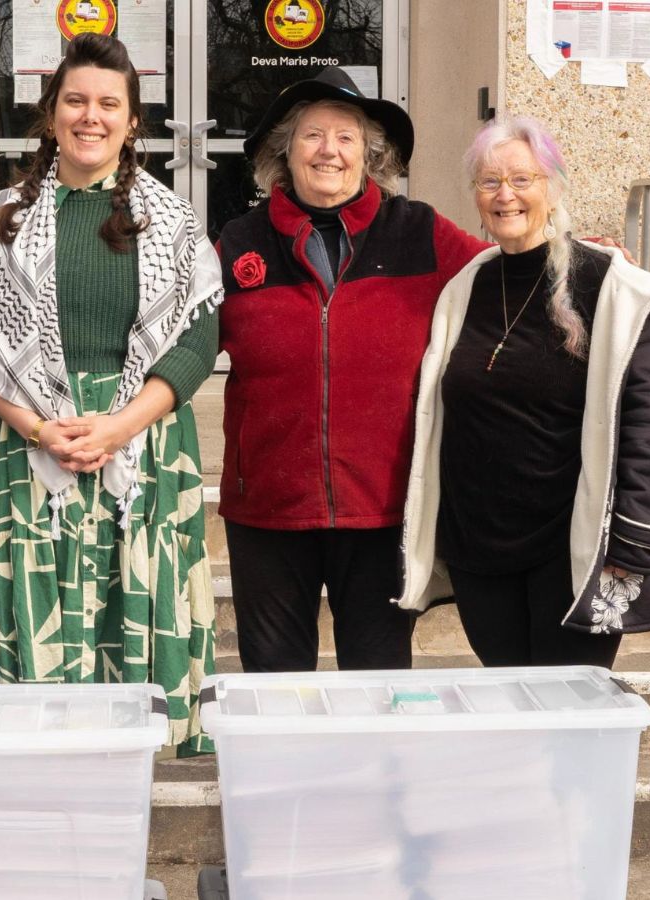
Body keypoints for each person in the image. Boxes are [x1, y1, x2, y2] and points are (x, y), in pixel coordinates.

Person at [0, 33, 222, 754]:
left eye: (108, 103)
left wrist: (120, 426)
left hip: (144, 444)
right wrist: (39, 430)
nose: (90, 116)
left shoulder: (174, 221)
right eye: (75, 100)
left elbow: (198, 340)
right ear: (51, 113)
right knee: (37, 599)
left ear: (133, 122)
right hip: (36, 441)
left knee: (135, 594)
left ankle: (135, 776)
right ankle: (39, 768)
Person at [395, 115, 650, 665]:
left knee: (570, 711)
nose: (504, 195)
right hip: (478, 548)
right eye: (489, 182)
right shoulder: (464, 287)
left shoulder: (607, 284)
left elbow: (645, 424)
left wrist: (637, 533)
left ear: (553, 187)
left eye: (522, 179)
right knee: (510, 700)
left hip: (571, 547)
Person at [215, 67, 490, 673]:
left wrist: (579, 255)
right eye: (313, 135)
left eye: (346, 137)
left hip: (381, 507)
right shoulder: (239, 243)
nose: (329, 151)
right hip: (268, 506)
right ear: (284, 149)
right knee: (273, 682)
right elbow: (175, 341)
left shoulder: (419, 232)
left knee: (377, 678)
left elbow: (504, 276)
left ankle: (370, 775)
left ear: (371, 154)